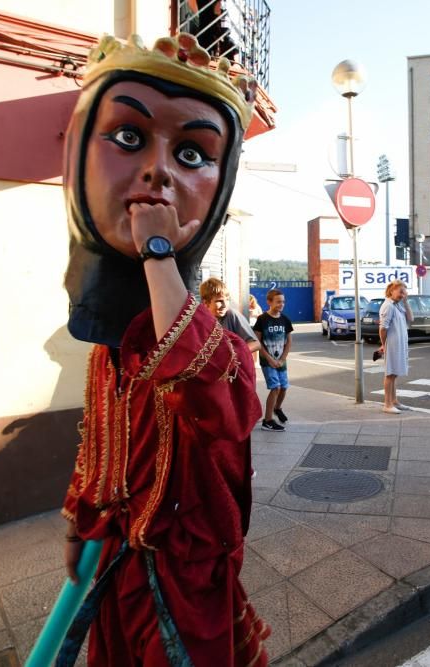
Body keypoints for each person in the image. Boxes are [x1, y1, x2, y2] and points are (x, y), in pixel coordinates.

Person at [58, 33, 270, 665]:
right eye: (128, 138)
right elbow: (101, 438)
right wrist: (81, 520)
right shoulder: (109, 343)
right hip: (117, 567)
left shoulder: (216, 335)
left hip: (186, 585)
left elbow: (224, 407)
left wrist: (158, 254)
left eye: (192, 153)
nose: (160, 172)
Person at [253, 288, 293, 431]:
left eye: (283, 302)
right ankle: (268, 420)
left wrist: (282, 359)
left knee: (284, 387)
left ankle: (277, 408)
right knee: (275, 387)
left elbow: (288, 342)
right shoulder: (262, 319)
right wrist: (269, 359)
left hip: (281, 361)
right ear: (269, 302)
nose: (281, 304)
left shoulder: (285, 320)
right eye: (278, 302)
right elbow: (257, 342)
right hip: (267, 361)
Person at [378, 279, 413, 414]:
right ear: (391, 290)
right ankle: (387, 404)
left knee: (395, 373)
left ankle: (394, 401)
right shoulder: (388, 306)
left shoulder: (398, 305)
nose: (403, 294)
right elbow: (382, 328)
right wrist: (384, 344)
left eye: (404, 292)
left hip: (399, 344)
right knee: (390, 373)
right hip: (392, 344)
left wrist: (405, 301)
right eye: (400, 292)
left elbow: (411, 318)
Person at [200, 277, 261, 353]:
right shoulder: (201, 319)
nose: (225, 305)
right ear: (206, 303)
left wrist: (233, 355)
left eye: (227, 300)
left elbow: (255, 344)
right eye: (219, 301)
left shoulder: (231, 315)